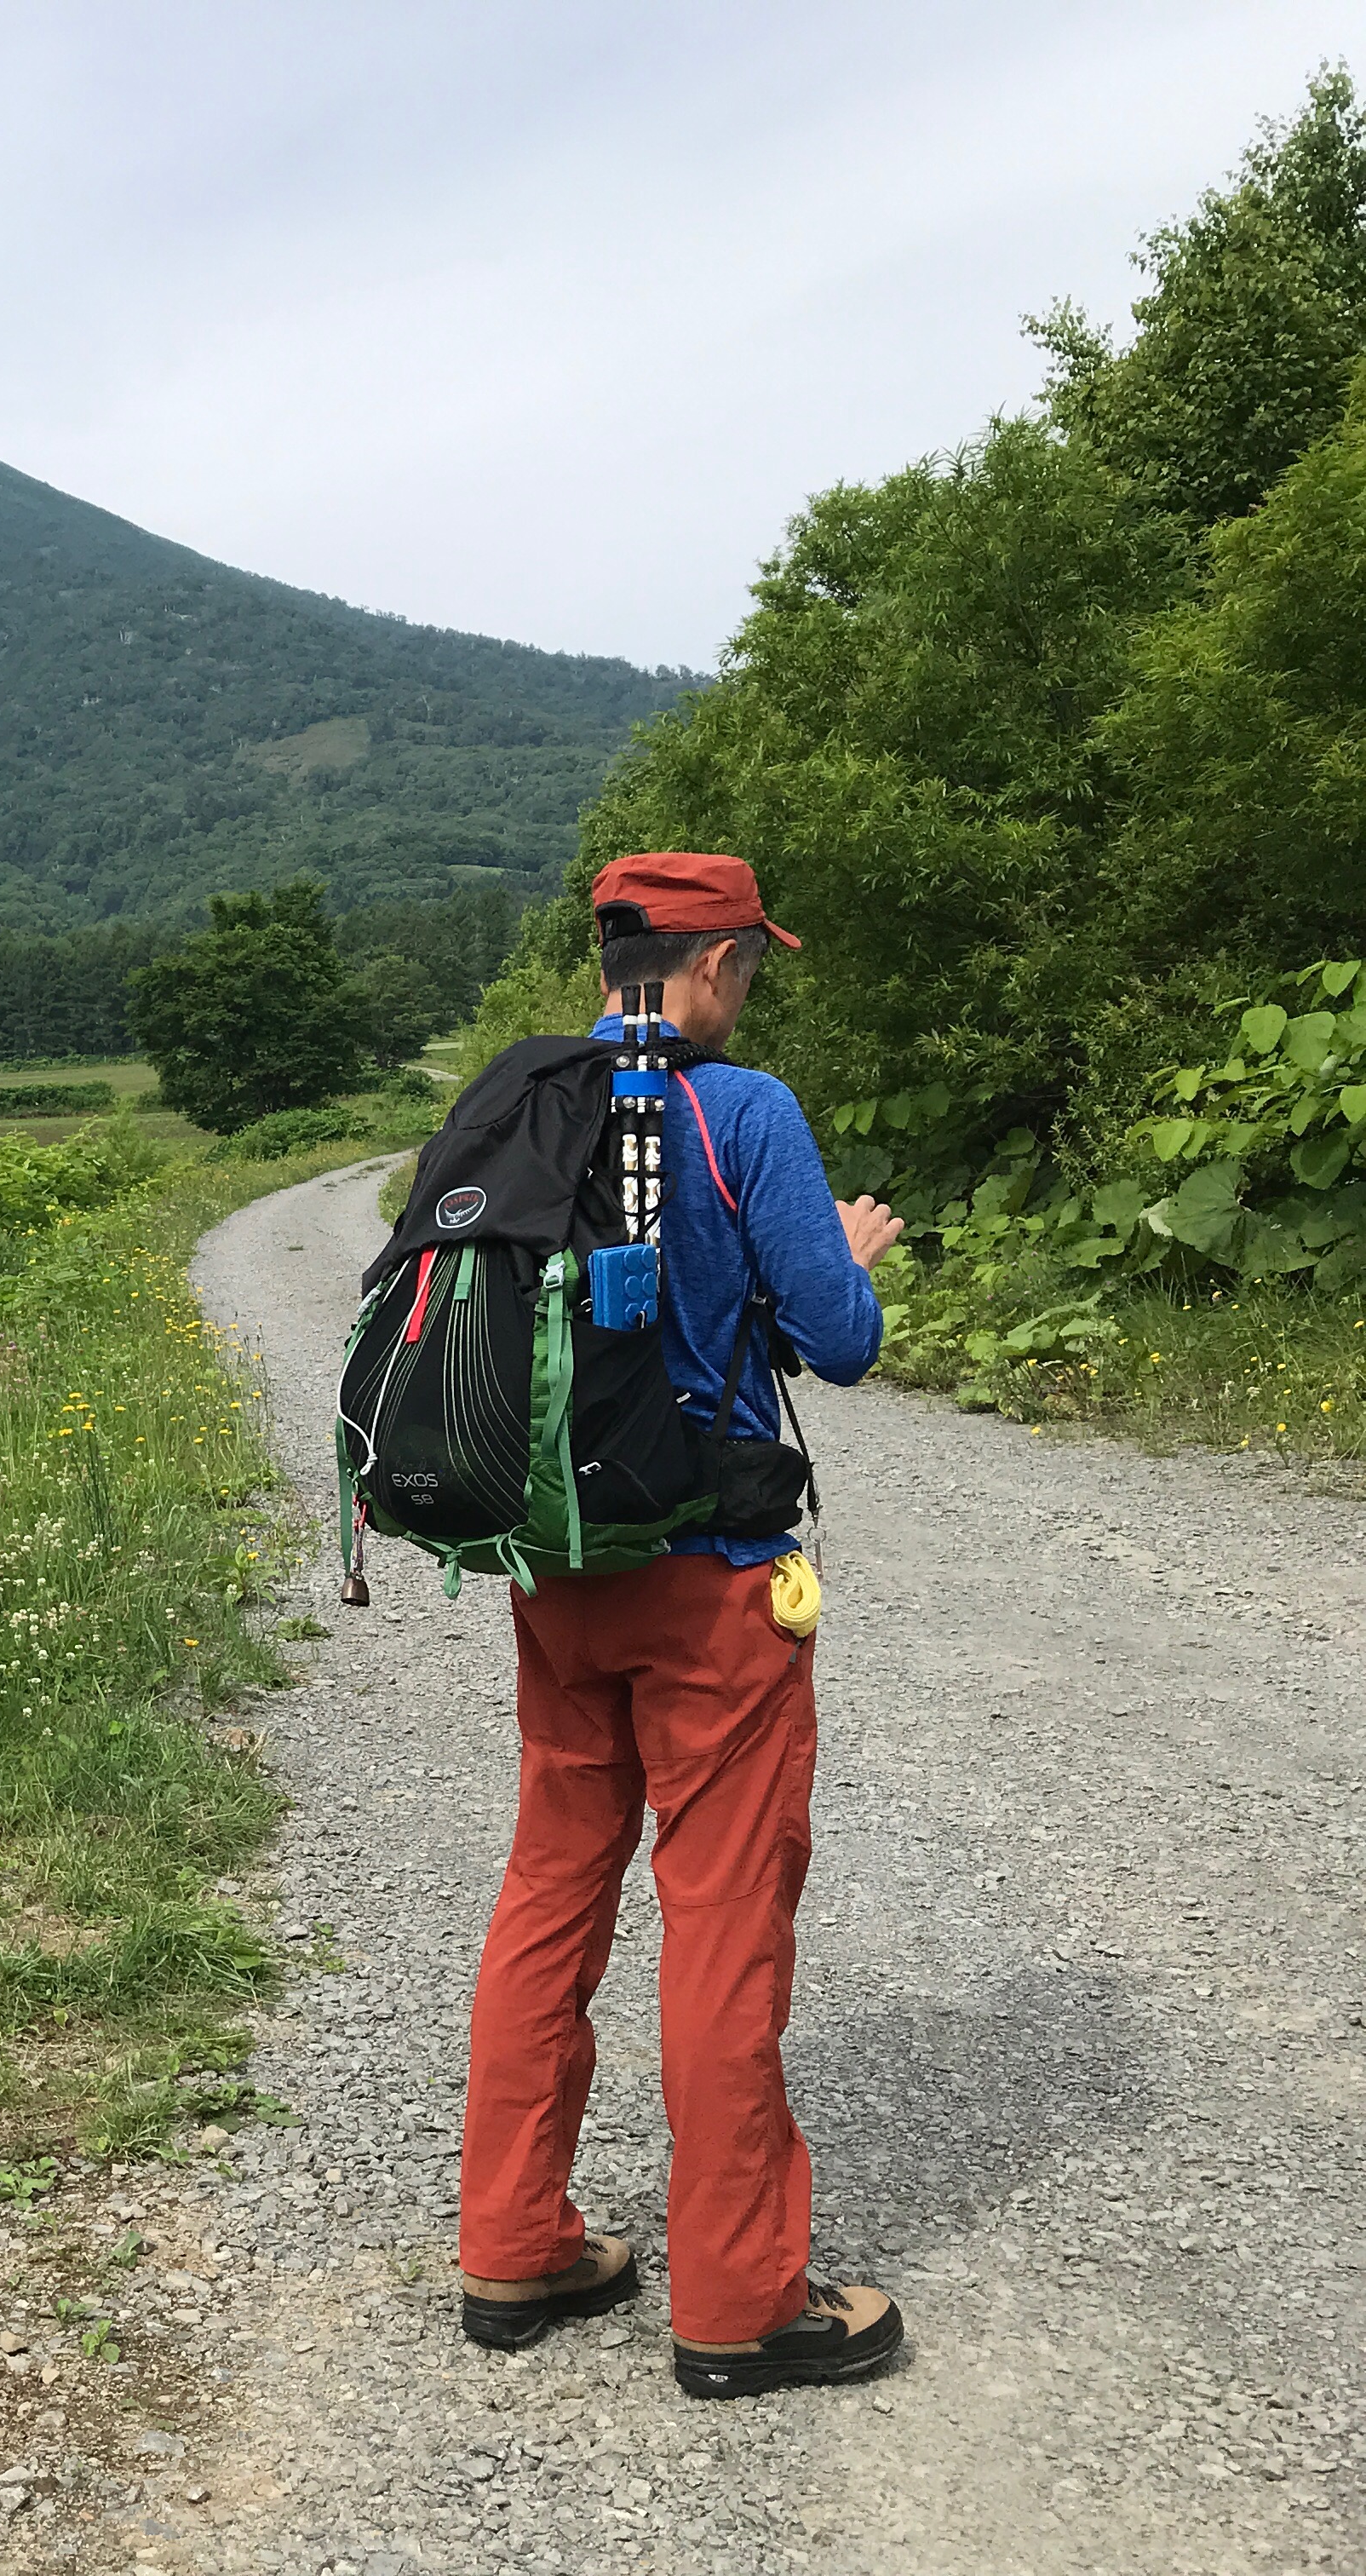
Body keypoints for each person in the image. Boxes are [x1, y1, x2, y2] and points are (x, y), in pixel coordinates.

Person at [451, 850, 910, 2400]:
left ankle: (514, 2244)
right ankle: (737, 2301)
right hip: (714, 1584)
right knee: (719, 1919)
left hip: (558, 1575)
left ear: (608, 961)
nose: (750, 991)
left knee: (550, 1893)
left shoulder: (533, 1101)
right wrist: (843, 1258)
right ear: (710, 965)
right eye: (751, 965)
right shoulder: (746, 1111)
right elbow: (837, 1345)